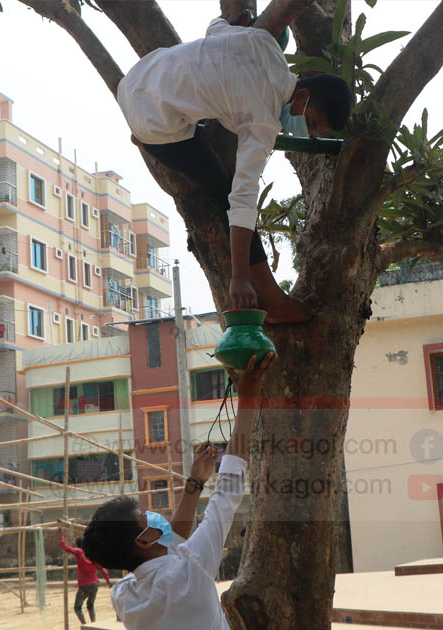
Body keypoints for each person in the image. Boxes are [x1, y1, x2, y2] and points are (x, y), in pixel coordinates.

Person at [116, 14, 352, 323]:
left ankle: (152, 137)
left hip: (137, 77)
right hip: (154, 122)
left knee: (207, 117)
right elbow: (241, 200)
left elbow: (215, 27)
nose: (305, 131)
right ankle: (275, 301)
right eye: (310, 122)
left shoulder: (263, 43)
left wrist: (239, 23)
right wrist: (239, 277)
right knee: (222, 189)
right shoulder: (263, 119)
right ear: (303, 95)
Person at [81, 353, 276, 629]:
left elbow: (172, 541)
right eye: (146, 517)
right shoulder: (190, 570)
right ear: (143, 541)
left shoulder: (124, 595)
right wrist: (248, 397)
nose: (155, 515)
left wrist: (195, 482)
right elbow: (226, 494)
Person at [58, 534, 112, 625]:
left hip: (84, 586)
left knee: (77, 608)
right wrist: (108, 582)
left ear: (78, 545)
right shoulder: (92, 555)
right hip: (95, 585)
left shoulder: (79, 552)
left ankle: (85, 624)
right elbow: (103, 570)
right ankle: (93, 625)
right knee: (90, 606)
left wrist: (61, 536)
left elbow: (65, 548)